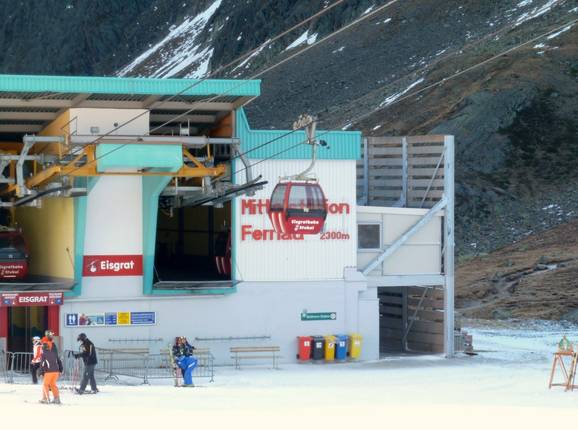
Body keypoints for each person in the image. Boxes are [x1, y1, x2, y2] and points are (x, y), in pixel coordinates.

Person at [39, 330, 62, 404]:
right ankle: (57, 399)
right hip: (56, 370)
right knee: (53, 385)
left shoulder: (44, 352)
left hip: (49, 371)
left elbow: (42, 363)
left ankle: (46, 399)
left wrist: (41, 372)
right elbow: (58, 359)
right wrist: (60, 369)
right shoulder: (53, 348)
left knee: (45, 384)